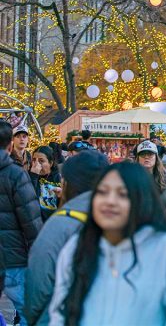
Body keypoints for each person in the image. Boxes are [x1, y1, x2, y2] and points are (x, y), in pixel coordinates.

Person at [47, 161, 166, 325]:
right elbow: (60, 312)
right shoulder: (77, 247)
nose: (110, 201)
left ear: (141, 200)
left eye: (122, 194)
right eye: (102, 192)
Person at [24, 151, 109, 326]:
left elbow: (38, 286)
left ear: (67, 183)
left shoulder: (59, 226)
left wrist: (37, 320)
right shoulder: (129, 221)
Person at [0, 120, 42, 326]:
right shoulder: (16, 175)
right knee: (29, 312)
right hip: (12, 257)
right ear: (9, 144)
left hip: (11, 255)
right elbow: (31, 220)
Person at [135, 140, 166, 215]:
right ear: (138, 158)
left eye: (150, 154)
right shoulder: (130, 179)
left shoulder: (165, 179)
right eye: (142, 154)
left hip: (165, 223)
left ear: (156, 157)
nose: (146, 157)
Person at [28, 146, 62, 221]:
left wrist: (60, 197)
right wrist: (33, 176)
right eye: (34, 160)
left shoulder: (60, 178)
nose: (37, 164)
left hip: (54, 222)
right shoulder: (28, 177)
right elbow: (27, 197)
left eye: (41, 161)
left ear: (51, 163)